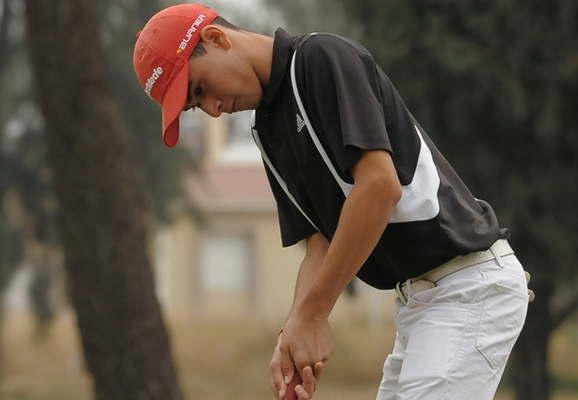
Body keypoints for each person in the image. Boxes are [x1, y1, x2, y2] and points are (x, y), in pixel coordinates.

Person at [133, 3, 534, 400]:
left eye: (200, 89)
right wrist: (293, 335)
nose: (212, 109)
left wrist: (313, 314)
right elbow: (319, 244)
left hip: (469, 286)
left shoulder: (319, 59)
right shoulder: (269, 132)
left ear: (216, 38)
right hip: (421, 303)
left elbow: (379, 187)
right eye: (196, 106)